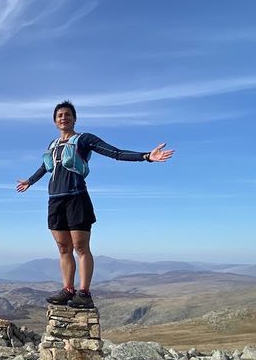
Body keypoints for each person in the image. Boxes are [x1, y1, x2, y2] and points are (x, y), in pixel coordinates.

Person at [15, 100, 174, 308]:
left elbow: (115, 153)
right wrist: (30, 181)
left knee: (80, 247)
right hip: (55, 200)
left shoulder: (84, 139)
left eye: (68, 114)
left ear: (74, 118)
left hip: (76, 198)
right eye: (60, 115)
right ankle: (68, 289)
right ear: (55, 121)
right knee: (63, 247)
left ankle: (84, 293)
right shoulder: (52, 145)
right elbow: (45, 167)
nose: (64, 118)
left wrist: (146, 157)